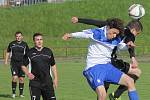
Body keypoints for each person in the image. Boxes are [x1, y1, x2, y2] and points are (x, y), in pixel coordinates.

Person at [62, 18, 139, 100]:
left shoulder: (116, 37)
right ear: (108, 27)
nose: (114, 35)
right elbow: (84, 34)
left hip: (107, 67)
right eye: (113, 33)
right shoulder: (97, 33)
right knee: (102, 95)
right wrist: (70, 35)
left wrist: (127, 46)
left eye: (116, 34)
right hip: (94, 68)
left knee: (130, 82)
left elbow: (120, 46)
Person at [21, 33, 58, 100]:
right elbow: (23, 65)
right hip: (35, 82)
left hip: (47, 82)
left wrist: (55, 78)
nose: (39, 41)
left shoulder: (48, 51)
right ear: (34, 41)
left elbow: (53, 65)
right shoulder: (29, 52)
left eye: (41, 39)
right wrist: (28, 73)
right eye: (37, 40)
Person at [4, 31, 29, 98]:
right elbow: (8, 52)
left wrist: (27, 64)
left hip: (22, 64)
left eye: (19, 36)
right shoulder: (12, 44)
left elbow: (27, 55)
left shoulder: (25, 44)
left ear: (22, 37)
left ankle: (21, 94)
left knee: (21, 79)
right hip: (14, 63)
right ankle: (13, 93)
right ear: (15, 37)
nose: (18, 37)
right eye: (17, 36)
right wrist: (6, 61)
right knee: (15, 77)